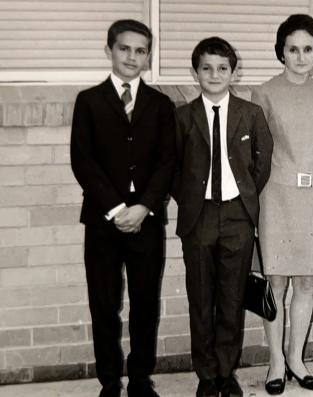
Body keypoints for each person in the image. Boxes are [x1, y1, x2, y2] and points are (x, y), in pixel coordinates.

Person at [69, 19, 175, 397]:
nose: (132, 56)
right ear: (109, 51)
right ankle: (110, 381)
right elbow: (83, 162)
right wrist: (116, 208)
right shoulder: (89, 101)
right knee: (105, 302)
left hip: (146, 220)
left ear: (148, 56)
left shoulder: (160, 104)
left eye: (140, 50)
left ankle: (140, 379)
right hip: (103, 220)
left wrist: (144, 207)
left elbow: (167, 163)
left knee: (145, 303)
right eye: (125, 48)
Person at [171, 37, 273, 397]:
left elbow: (261, 163)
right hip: (198, 217)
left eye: (222, 68)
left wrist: (243, 200)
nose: (214, 75)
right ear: (195, 72)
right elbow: (173, 169)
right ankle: (206, 375)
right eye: (206, 68)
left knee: (231, 297)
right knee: (201, 298)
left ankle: (226, 372)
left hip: (236, 217)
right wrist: (192, 201)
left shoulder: (250, 113)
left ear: (234, 72)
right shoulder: (182, 117)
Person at [251, 13, 313, 396]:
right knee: (276, 283)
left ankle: (295, 359)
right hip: (276, 198)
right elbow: (256, 153)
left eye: (307, 49)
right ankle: (274, 361)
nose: (301, 56)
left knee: (306, 282)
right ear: (281, 52)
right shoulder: (264, 93)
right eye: (293, 49)